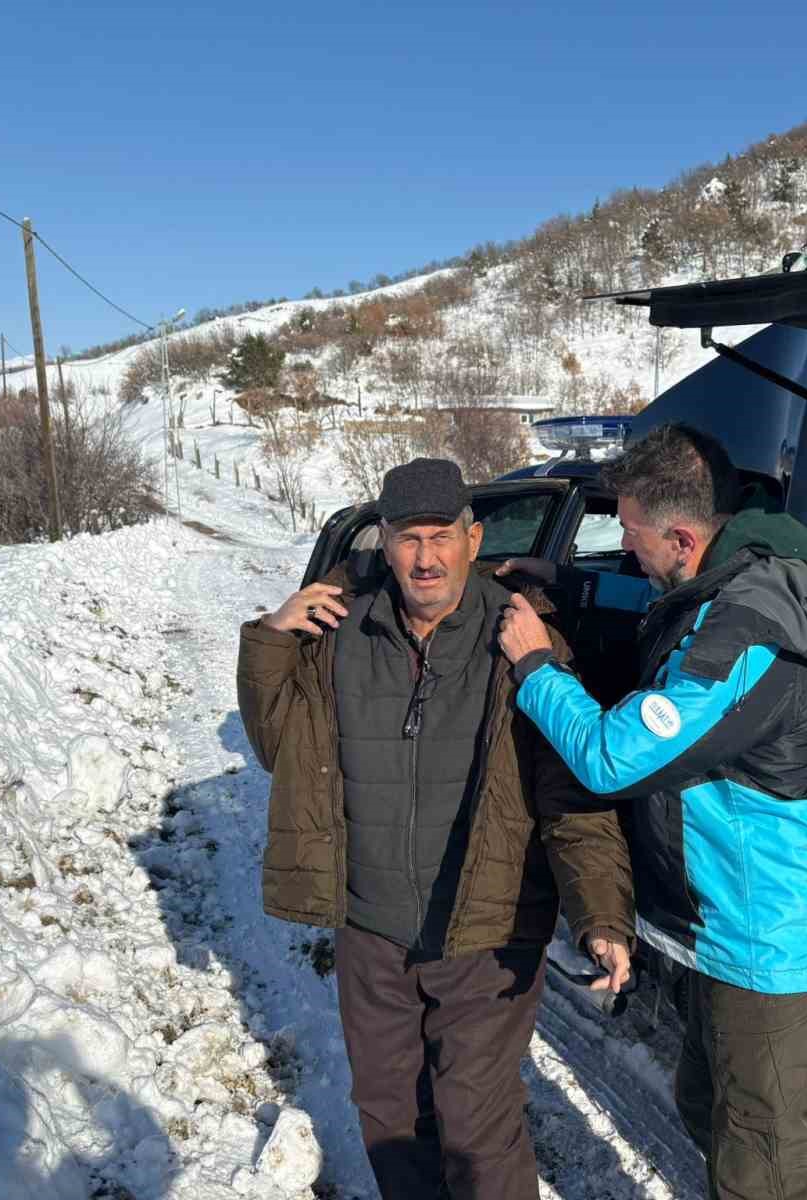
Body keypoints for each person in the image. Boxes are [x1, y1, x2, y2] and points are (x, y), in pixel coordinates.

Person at [236, 457, 634, 1200]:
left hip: (487, 930)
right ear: (384, 543)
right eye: (408, 538)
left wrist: (602, 914)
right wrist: (271, 639)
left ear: (472, 539)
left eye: (441, 535)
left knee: (476, 1125)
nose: (426, 557)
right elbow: (278, 751)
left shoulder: (522, 642)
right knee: (389, 1115)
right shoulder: (339, 634)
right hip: (372, 927)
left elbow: (572, 797)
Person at [496, 424, 807, 1200]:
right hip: (728, 924)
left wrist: (535, 664)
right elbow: (664, 607)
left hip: (767, 937)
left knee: (761, 1160)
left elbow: (612, 757)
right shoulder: (736, 577)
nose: (625, 550)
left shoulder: (746, 632)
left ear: (685, 535)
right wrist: (569, 586)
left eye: (628, 535)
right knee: (709, 1109)